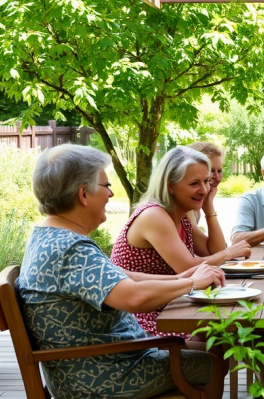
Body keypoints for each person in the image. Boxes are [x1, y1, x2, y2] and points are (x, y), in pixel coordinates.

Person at [17, 144, 225, 399]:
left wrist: (180, 278)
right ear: (83, 194)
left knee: (211, 346)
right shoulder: (71, 249)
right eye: (106, 186)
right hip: (104, 376)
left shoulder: (50, 237)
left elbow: (117, 274)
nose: (111, 193)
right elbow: (134, 298)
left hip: (92, 365)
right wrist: (191, 283)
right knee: (211, 364)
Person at [111, 146, 251, 336]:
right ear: (170, 185)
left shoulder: (180, 215)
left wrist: (208, 206)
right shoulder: (154, 215)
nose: (203, 189)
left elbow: (212, 251)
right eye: (194, 183)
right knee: (226, 336)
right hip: (142, 318)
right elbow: (188, 268)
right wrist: (230, 253)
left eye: (207, 181)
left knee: (232, 331)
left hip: (170, 306)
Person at [187, 142, 224, 225]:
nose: (217, 178)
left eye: (219, 171)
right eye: (211, 170)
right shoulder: (184, 208)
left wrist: (208, 206)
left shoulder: (195, 209)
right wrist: (209, 209)